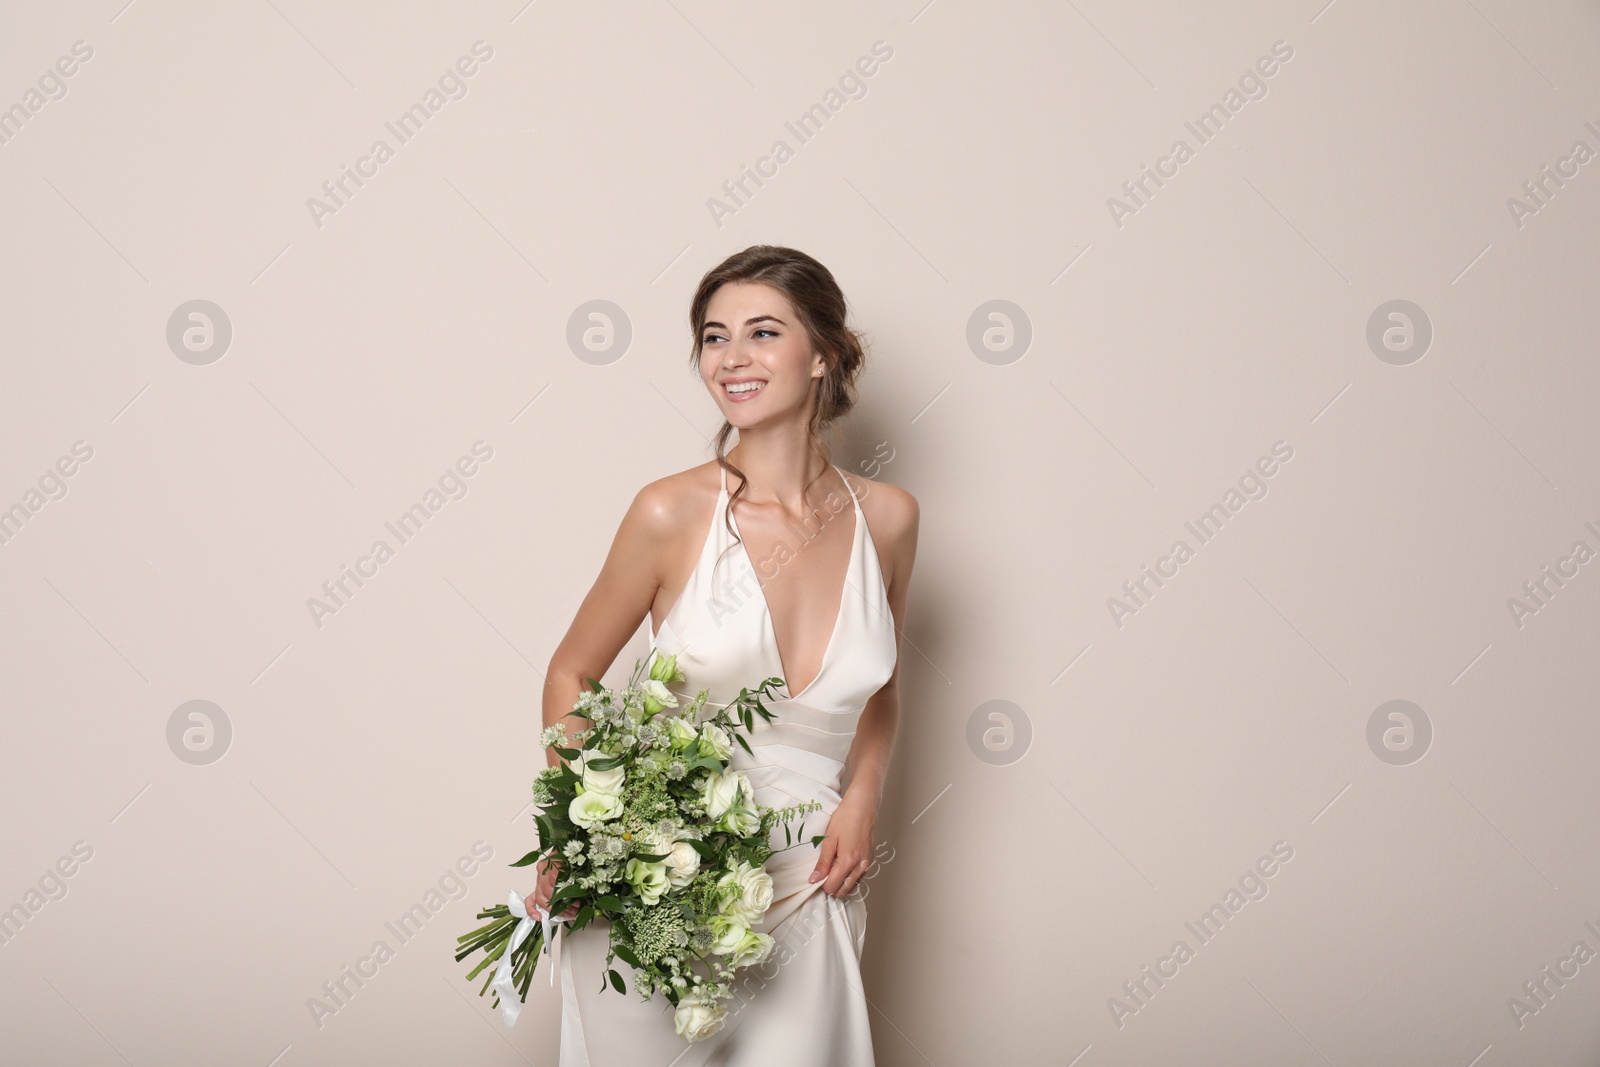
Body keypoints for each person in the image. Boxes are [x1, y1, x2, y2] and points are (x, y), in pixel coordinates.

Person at [525, 244, 919, 1065]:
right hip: (659, 885)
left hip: (816, 875)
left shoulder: (889, 517)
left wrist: (863, 799)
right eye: (713, 336)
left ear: (825, 357)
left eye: (764, 332)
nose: (732, 357)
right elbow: (572, 670)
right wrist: (578, 827)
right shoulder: (670, 511)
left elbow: (882, 686)